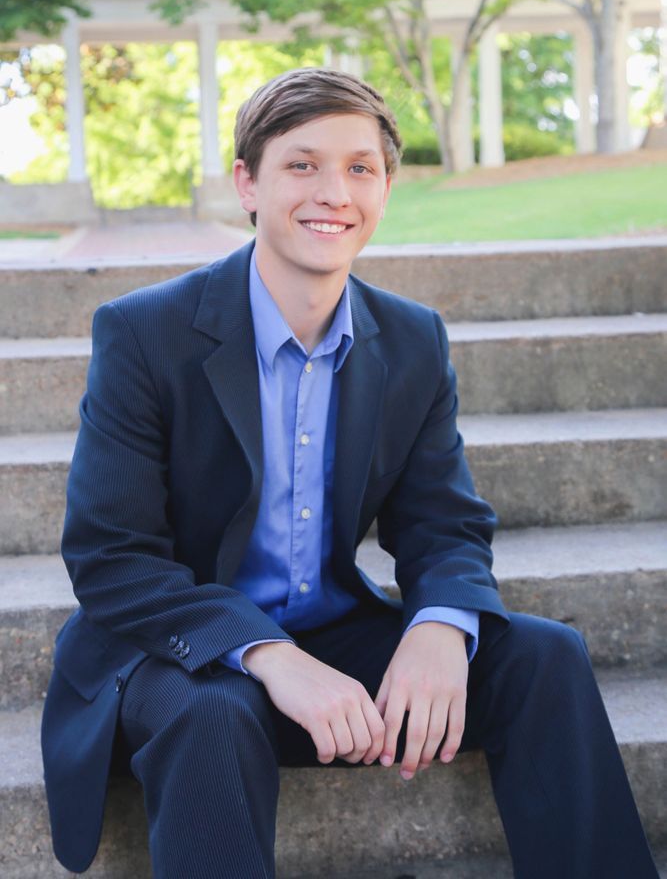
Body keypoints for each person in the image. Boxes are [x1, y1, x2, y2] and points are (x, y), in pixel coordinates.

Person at [42, 68, 658, 879]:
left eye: (359, 168)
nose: (333, 190)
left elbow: (444, 523)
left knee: (540, 656)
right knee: (213, 713)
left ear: (385, 188)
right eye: (301, 165)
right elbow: (110, 557)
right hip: (178, 656)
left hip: (333, 638)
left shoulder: (409, 339)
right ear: (247, 184)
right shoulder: (143, 333)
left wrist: (441, 623)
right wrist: (267, 653)